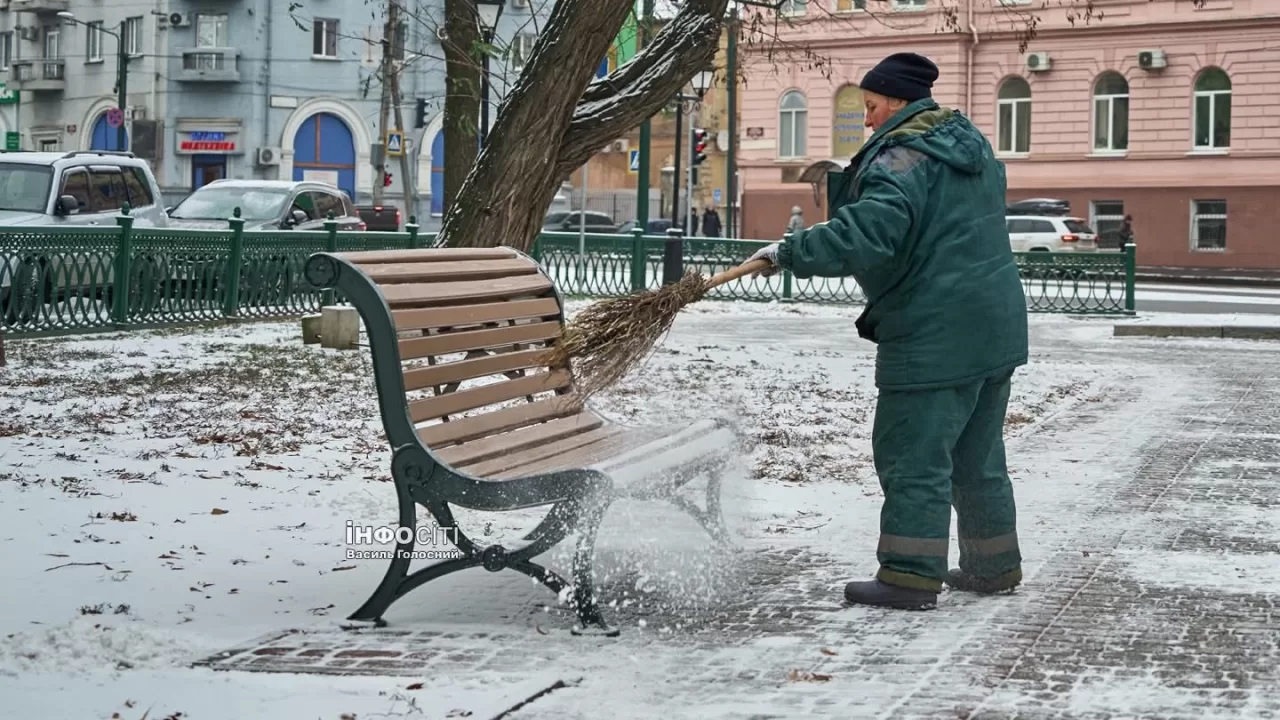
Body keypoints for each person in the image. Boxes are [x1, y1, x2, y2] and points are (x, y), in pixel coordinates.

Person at [747, 52, 1028, 610]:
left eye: (871, 107)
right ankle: (993, 565)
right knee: (977, 457)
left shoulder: (903, 159)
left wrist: (790, 252)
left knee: (913, 455)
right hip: (993, 325)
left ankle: (908, 575)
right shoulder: (970, 148)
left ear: (897, 102)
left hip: (934, 331)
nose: (868, 120)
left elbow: (865, 235)